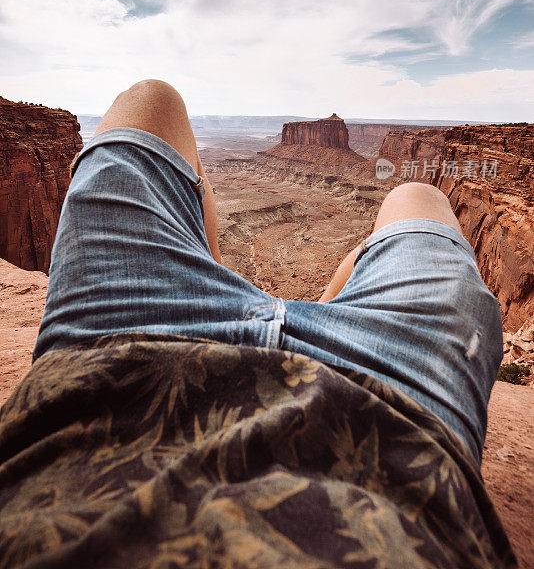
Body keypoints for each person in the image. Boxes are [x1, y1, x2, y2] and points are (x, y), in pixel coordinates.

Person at [0, 79, 516, 568]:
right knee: (418, 199)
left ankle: (222, 286)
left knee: (151, 100)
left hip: (104, 373)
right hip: (394, 416)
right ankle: (317, 309)